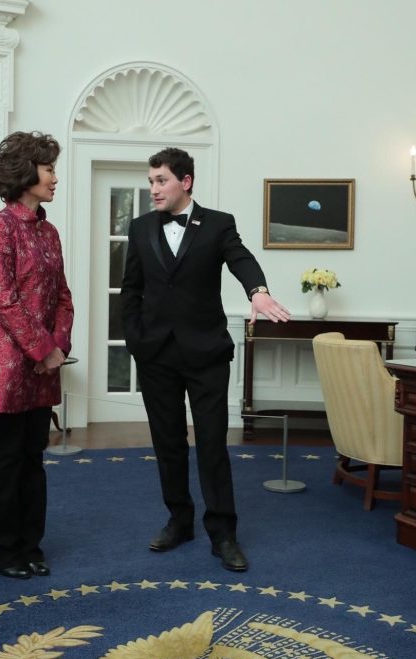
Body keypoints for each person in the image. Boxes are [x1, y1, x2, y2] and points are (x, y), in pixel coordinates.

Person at [121, 147, 290, 572]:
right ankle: (179, 520)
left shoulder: (217, 224)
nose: (154, 189)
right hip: (156, 354)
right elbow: (130, 291)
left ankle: (224, 533)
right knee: (168, 444)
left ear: (186, 182)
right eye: (151, 182)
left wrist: (258, 291)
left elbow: (241, 259)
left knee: (213, 444)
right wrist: (136, 340)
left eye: (161, 181)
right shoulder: (140, 228)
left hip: (206, 353)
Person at [0, 131, 74, 580]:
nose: (55, 176)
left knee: (35, 452)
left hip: (44, 361)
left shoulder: (49, 231)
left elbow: (63, 297)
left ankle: (31, 546)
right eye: (49, 168)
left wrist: (58, 347)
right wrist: (41, 349)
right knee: (10, 453)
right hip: (7, 360)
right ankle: (2, 551)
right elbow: (3, 300)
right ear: (25, 173)